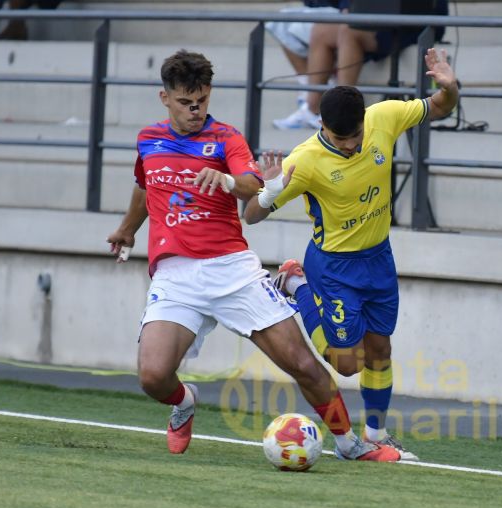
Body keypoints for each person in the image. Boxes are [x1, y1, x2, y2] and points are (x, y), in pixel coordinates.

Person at [106, 49, 399, 462]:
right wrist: (126, 230)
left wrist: (227, 180)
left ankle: (350, 443)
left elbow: (251, 184)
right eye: (187, 102)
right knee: (153, 376)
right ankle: (185, 400)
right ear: (164, 98)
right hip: (175, 276)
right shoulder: (148, 140)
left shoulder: (225, 138)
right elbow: (144, 185)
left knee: (303, 364)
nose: (195, 110)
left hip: (232, 269)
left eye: (202, 100)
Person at [245, 47, 459, 460]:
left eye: (355, 136)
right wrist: (269, 192)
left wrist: (450, 88)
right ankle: (298, 285)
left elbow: (441, 107)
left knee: (381, 349)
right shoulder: (304, 161)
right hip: (334, 268)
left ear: (365, 121)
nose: (349, 146)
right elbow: (251, 215)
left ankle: (376, 434)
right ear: (321, 125)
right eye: (340, 139)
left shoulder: (385, 117)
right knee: (347, 365)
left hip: (378, 258)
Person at [273, 0, 448, 130]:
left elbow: (436, 13)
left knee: (348, 31)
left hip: (408, 26)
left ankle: (342, 110)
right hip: (373, 19)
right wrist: (348, 8)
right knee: (321, 31)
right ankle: (312, 110)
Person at [265, 1, 341, 114]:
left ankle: (313, 103)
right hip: (320, 8)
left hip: (342, 11)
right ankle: (308, 92)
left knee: (314, 30)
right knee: (280, 21)